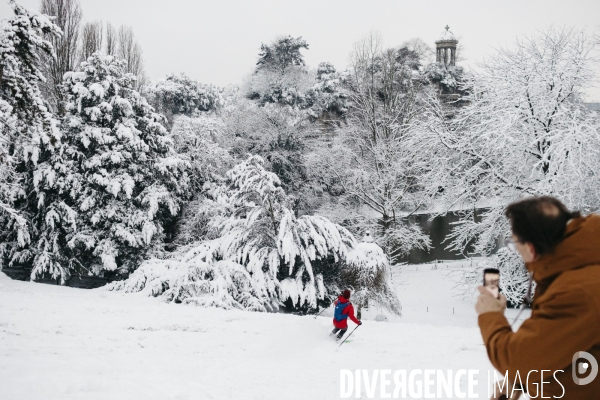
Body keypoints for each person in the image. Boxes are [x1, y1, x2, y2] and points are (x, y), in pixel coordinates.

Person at [475, 196, 600, 399]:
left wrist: (490, 315)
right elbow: (576, 353)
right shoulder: (578, 269)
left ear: (531, 248)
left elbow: (517, 360)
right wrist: (524, 382)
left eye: (515, 244)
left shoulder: (578, 292)